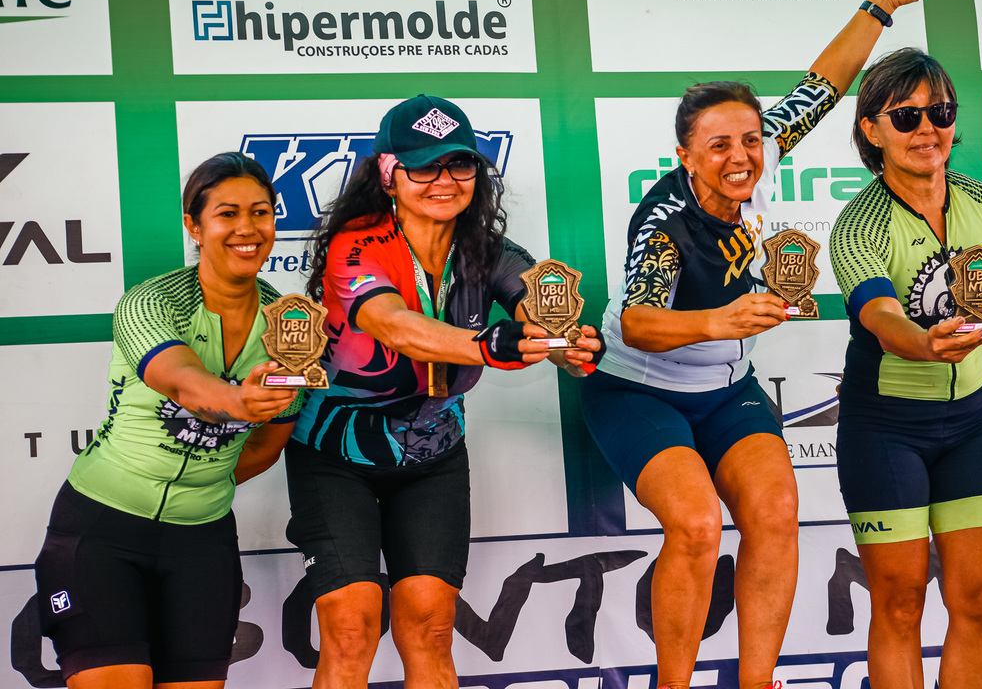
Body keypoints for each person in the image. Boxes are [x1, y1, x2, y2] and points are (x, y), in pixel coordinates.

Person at [579, 0, 925, 689]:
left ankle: (756, 680)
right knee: (698, 524)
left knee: (775, 512)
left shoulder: (756, 162)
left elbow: (823, 85)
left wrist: (882, 4)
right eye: (718, 146)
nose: (741, 156)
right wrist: (721, 320)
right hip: (638, 390)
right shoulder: (664, 219)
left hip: (725, 389)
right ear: (686, 155)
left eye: (750, 139)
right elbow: (639, 324)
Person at [287, 94, 601, 689]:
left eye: (459, 164)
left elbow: (538, 313)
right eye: (424, 166)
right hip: (335, 456)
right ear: (389, 173)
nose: (444, 180)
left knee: (431, 628)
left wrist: (571, 346)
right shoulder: (356, 244)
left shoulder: (491, 251)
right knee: (351, 628)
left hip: (434, 457)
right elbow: (392, 325)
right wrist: (488, 344)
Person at [34, 152, 302, 689]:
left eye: (261, 212)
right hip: (102, 529)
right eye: (227, 214)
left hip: (203, 542)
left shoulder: (290, 322)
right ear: (193, 226)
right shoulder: (150, 302)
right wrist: (239, 402)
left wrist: (203, 483)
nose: (247, 228)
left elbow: (269, 444)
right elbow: (181, 379)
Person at [828, 47, 982, 689]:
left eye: (940, 112)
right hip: (887, 428)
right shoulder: (858, 224)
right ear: (871, 130)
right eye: (905, 117)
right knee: (901, 604)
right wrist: (925, 344)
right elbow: (880, 316)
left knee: (981, 604)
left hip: (974, 423)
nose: (927, 128)